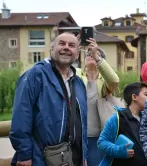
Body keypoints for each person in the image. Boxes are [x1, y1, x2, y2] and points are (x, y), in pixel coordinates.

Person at [9, 32, 88, 166]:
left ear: (77, 54)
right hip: (41, 158)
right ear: (52, 49)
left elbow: (82, 123)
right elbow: (21, 116)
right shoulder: (35, 75)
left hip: (73, 158)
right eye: (62, 43)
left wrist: (83, 157)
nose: (67, 48)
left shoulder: (78, 82)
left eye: (72, 45)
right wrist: (24, 155)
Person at [76, 38, 119, 166]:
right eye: (88, 54)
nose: (90, 56)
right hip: (77, 137)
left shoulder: (105, 81)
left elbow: (114, 81)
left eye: (93, 54)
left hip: (98, 138)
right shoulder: (76, 75)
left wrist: (97, 57)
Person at [97, 82, 147, 166]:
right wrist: (119, 151)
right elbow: (102, 142)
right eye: (146, 94)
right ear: (134, 97)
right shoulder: (117, 118)